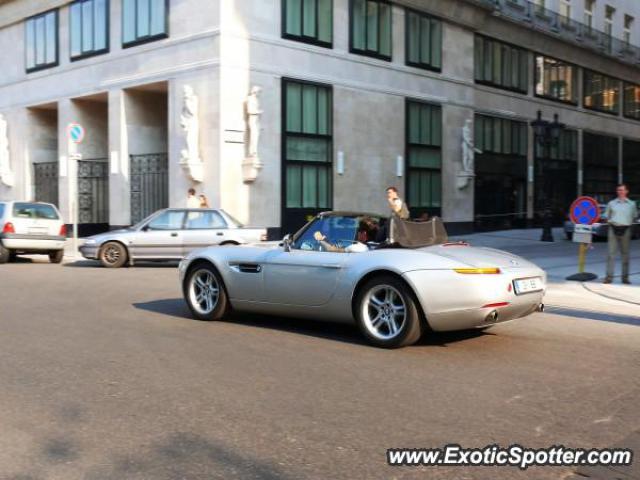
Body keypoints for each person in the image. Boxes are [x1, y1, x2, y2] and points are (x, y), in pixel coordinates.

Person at [604, 184, 638, 285]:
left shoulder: (632, 204)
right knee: (611, 254)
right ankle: (609, 277)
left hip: (626, 229)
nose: (620, 192)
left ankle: (625, 278)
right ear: (617, 191)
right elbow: (606, 216)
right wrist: (612, 222)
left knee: (625, 255)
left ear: (627, 191)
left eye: (622, 190)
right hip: (613, 229)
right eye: (619, 190)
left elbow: (634, 216)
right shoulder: (611, 203)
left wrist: (627, 224)